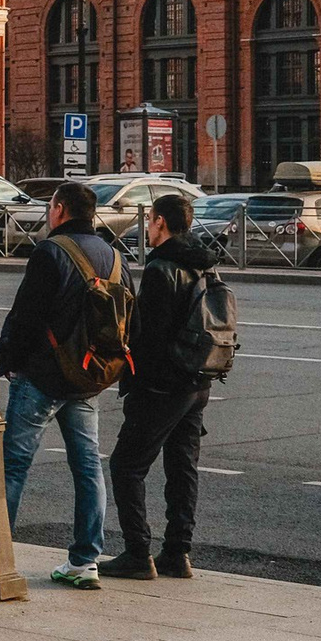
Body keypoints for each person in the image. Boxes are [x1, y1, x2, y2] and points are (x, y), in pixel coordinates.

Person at [0, 179, 119, 588]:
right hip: (86, 379)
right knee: (87, 468)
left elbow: (27, 314)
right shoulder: (114, 257)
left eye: (51, 207)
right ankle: (85, 560)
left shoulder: (52, 252)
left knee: (12, 466)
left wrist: (9, 357)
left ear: (61, 210)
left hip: (43, 377)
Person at [105, 192, 217, 581]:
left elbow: (147, 335)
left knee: (126, 466)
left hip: (163, 386)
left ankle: (138, 552)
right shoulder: (204, 264)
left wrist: (136, 380)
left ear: (162, 223)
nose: (147, 227)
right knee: (182, 467)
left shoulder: (161, 269)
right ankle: (177, 553)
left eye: (150, 220)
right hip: (197, 381)